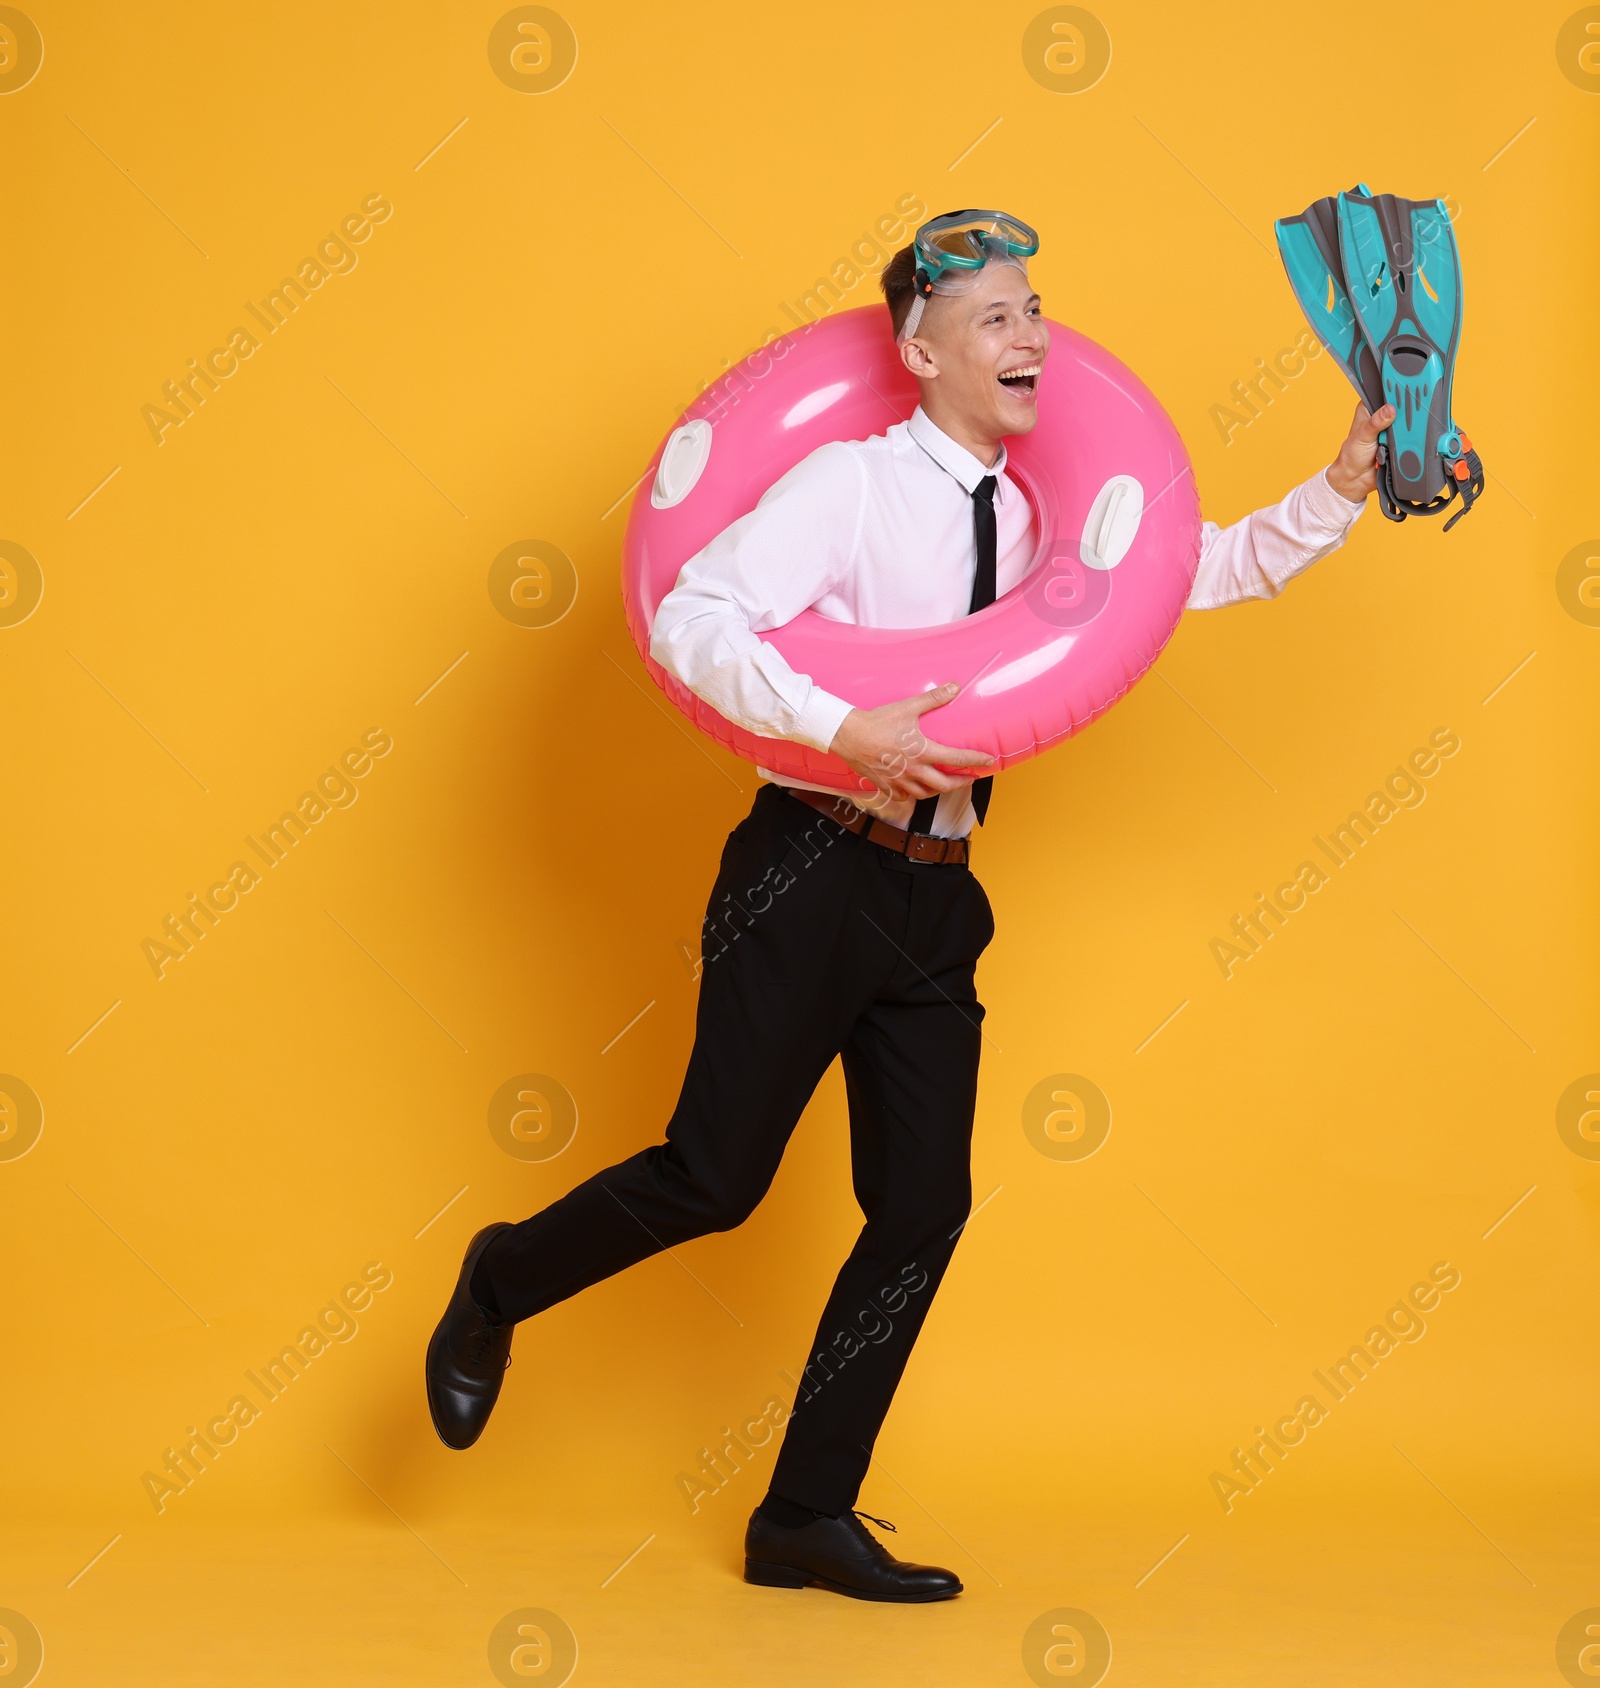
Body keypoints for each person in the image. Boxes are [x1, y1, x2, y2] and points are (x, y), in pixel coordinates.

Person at [426, 210, 1395, 1604]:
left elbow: (1184, 575)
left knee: (922, 1204)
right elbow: (695, 617)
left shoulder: (1041, 507)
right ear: (918, 350)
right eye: (998, 317)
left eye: (1037, 310)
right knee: (716, 1176)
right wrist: (841, 723)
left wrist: (1340, 486)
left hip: (938, 902)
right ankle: (501, 1278)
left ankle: (804, 1512)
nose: (1033, 337)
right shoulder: (848, 489)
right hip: (807, 867)